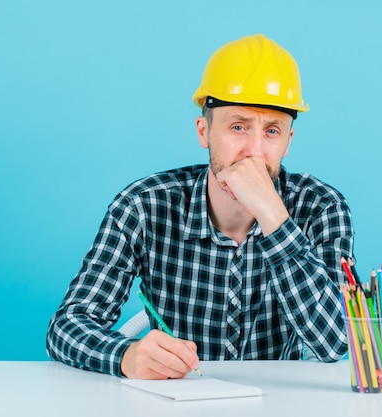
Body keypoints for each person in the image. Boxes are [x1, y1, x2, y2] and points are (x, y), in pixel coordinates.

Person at [46, 33, 354, 380]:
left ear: (288, 143)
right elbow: (67, 327)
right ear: (203, 132)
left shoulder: (321, 207)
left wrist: (273, 215)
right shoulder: (144, 206)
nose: (254, 151)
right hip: (178, 399)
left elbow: (337, 342)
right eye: (238, 127)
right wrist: (126, 356)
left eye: (271, 131)